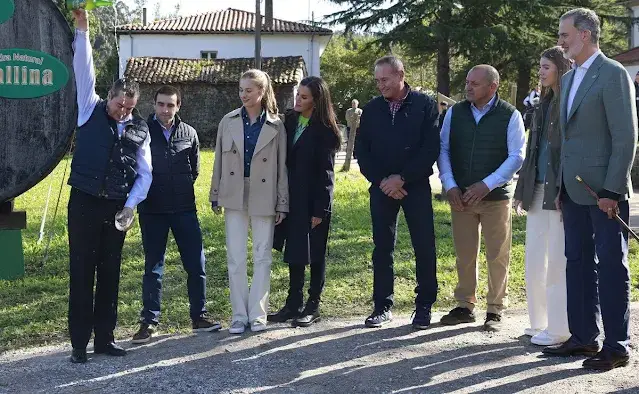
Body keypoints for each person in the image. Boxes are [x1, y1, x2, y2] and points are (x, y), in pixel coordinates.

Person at [543, 8, 637, 371]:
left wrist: (612, 190)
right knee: (577, 264)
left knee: (612, 267)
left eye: (564, 35)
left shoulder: (612, 74)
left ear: (585, 35)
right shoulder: (567, 79)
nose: (560, 41)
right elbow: (565, 139)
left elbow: (626, 137)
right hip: (573, 190)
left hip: (604, 195)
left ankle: (617, 346)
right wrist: (560, 188)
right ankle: (584, 337)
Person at [67, 10, 152, 363]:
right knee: (82, 272)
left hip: (117, 208)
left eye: (129, 108)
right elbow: (83, 69)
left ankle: (105, 339)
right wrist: (82, 29)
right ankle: (79, 345)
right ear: (111, 96)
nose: (123, 112)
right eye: (120, 105)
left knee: (111, 274)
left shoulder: (139, 128)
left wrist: (130, 205)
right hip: (84, 203)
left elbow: (146, 174)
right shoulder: (89, 108)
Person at [438, 65, 525, 332]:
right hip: (461, 196)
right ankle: (465, 305)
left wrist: (486, 185)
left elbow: (517, 156)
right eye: (467, 82)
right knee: (464, 254)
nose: (468, 87)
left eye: (475, 83)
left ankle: (495, 309)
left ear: (492, 86)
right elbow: (443, 148)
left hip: (495, 197)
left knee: (498, 254)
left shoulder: (510, 115)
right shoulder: (455, 112)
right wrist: (450, 184)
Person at [131, 86, 222, 344]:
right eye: (161, 104)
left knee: (197, 265)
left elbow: (194, 170)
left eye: (170, 105)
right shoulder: (142, 131)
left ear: (178, 106)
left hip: (184, 209)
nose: (165, 110)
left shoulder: (189, 133)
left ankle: (199, 315)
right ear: (154, 104)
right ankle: (149, 321)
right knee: (153, 268)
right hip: (153, 210)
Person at [355, 55, 440, 329]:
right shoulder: (371, 109)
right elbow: (362, 152)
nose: (380, 85)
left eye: (385, 79)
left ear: (401, 74)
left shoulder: (425, 105)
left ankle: (424, 305)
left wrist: (402, 179)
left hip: (414, 186)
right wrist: (384, 182)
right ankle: (382, 306)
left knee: (423, 245)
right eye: (377, 80)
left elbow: (430, 149)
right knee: (382, 248)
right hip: (381, 188)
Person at [209, 69, 289, 334]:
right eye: (241, 90)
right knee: (235, 257)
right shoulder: (227, 121)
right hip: (233, 192)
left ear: (262, 92)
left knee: (262, 256)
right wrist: (214, 194)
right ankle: (239, 315)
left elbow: (281, 168)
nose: (243, 95)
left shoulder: (277, 125)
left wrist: (282, 202)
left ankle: (258, 314)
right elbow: (218, 162)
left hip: (264, 194)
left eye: (249, 90)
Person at [269, 77, 341, 327]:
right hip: (291, 198)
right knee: (295, 250)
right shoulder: (289, 121)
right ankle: (293, 304)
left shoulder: (326, 129)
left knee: (316, 252)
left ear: (317, 101)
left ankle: (313, 305)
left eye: (304, 97)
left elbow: (327, 172)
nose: (297, 100)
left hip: (314, 200)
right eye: (297, 95)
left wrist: (321, 208)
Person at [513, 47, 572, 346]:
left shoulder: (569, 102)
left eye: (546, 66)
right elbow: (532, 152)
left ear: (561, 68)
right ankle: (539, 322)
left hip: (558, 192)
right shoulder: (542, 103)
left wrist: (565, 190)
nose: (541, 72)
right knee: (534, 260)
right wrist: (521, 192)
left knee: (557, 262)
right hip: (535, 190)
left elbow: (568, 153)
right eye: (540, 66)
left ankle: (560, 327)